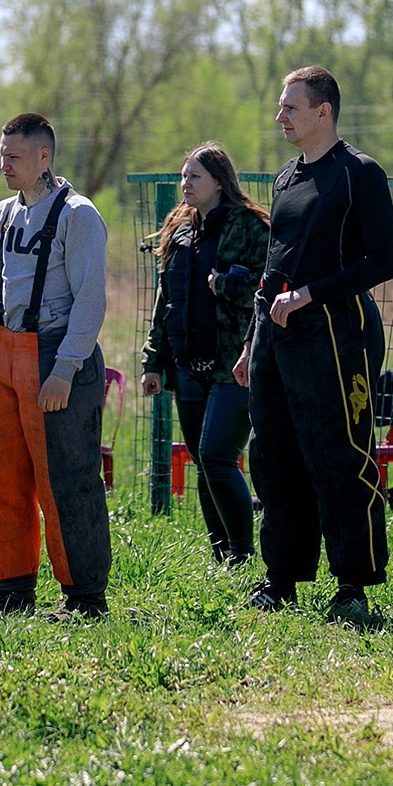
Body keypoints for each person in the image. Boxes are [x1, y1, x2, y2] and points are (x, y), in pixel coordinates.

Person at [240, 67, 393, 625]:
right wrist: (251, 339)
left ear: (323, 111)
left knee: (338, 453)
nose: (280, 116)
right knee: (273, 454)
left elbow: (381, 261)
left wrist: (309, 295)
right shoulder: (285, 178)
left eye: (290, 107)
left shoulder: (360, 174)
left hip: (336, 332)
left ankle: (352, 582)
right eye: (281, 107)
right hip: (276, 333)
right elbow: (273, 263)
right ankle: (281, 577)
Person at [0, 113, 111, 618]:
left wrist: (65, 369)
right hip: (2, 352)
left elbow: (90, 301)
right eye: (2, 156)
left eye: (14, 156)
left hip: (55, 354)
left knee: (67, 477)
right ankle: (10, 589)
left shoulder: (78, 216)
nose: (5, 165)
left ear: (44, 157)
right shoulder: (0, 216)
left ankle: (84, 596)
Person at [139, 143, 268, 565]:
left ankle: (242, 554)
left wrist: (225, 286)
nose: (185, 184)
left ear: (218, 181)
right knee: (203, 461)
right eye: (183, 176)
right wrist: (154, 360)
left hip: (235, 363)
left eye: (194, 176)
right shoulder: (179, 230)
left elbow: (270, 294)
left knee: (217, 456)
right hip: (186, 364)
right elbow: (166, 301)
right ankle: (221, 555)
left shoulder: (251, 227)